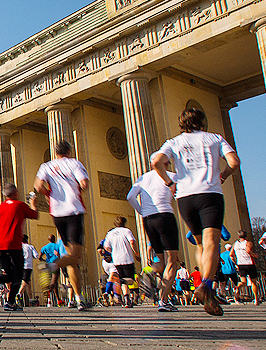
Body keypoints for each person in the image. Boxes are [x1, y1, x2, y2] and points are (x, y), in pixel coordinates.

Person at [151, 107, 240, 316]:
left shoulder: (174, 142)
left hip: (185, 197)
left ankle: (203, 282)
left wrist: (169, 182)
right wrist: (224, 174)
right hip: (210, 194)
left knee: (200, 243)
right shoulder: (215, 138)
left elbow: (156, 162)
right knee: (212, 242)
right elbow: (234, 162)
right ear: (203, 121)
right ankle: (206, 283)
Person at [34, 140, 91, 311]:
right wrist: (78, 186)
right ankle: (51, 266)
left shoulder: (46, 166)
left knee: (72, 261)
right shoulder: (74, 163)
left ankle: (79, 299)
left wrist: (49, 193)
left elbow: (38, 186)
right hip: (74, 211)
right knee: (75, 257)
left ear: (55, 152)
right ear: (69, 150)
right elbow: (84, 184)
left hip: (57, 214)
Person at [127, 163, 180, 312]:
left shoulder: (143, 178)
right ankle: (163, 300)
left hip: (148, 220)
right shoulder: (171, 176)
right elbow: (179, 196)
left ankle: (150, 269)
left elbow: (130, 197)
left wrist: (142, 211)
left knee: (162, 261)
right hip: (165, 216)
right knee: (172, 261)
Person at [0, 183, 38, 311]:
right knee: (18, 274)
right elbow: (35, 214)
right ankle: (10, 302)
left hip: (0, 245)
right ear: (15, 193)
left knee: (9, 274)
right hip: (14, 244)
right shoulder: (20, 205)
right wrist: (33, 202)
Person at [102, 216, 139, 308]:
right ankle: (124, 296)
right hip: (127, 258)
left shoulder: (110, 233)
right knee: (130, 280)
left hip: (117, 260)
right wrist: (136, 253)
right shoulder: (126, 231)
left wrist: (113, 252)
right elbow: (132, 242)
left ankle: (124, 298)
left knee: (124, 280)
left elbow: (106, 247)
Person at [231, 230, 260, 305]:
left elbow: (231, 255)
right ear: (246, 236)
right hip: (249, 263)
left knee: (243, 281)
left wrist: (235, 263)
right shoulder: (248, 243)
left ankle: (237, 287)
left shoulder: (235, 244)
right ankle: (256, 299)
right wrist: (255, 255)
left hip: (240, 264)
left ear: (238, 236)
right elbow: (248, 250)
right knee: (254, 282)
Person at [19, 235, 38, 305]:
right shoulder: (30, 247)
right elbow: (36, 255)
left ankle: (30, 298)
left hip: (20, 266)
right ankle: (19, 294)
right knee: (25, 281)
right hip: (28, 266)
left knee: (28, 282)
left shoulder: (19, 247)